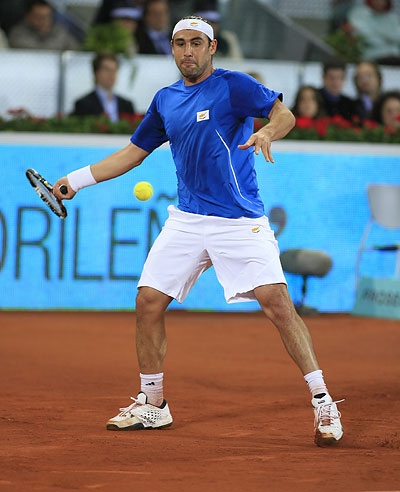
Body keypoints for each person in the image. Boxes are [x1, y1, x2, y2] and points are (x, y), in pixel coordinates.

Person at [53, 15, 344, 447]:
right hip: (188, 220)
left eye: (195, 43)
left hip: (239, 220)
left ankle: (323, 401)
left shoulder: (233, 85)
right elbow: (132, 154)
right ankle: (153, 404)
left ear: (211, 48)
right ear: (172, 49)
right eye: (179, 43)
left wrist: (267, 130)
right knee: (148, 301)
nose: (187, 51)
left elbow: (283, 114)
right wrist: (75, 181)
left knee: (278, 303)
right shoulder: (165, 100)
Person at [71, 52, 136, 121]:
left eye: (114, 70)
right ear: (96, 72)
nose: (111, 74)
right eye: (107, 70)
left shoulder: (127, 105)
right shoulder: (83, 105)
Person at [8, 0, 80, 51]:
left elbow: (75, 50)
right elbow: (36, 52)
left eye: (47, 17)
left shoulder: (60, 31)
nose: (44, 21)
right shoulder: (18, 33)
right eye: (39, 17)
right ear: (28, 16)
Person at [347, 0, 400, 66]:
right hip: (371, 58)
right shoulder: (358, 14)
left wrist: (376, 32)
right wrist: (387, 38)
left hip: (394, 57)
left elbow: (398, 37)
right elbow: (365, 36)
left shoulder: (392, 18)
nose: (379, 2)